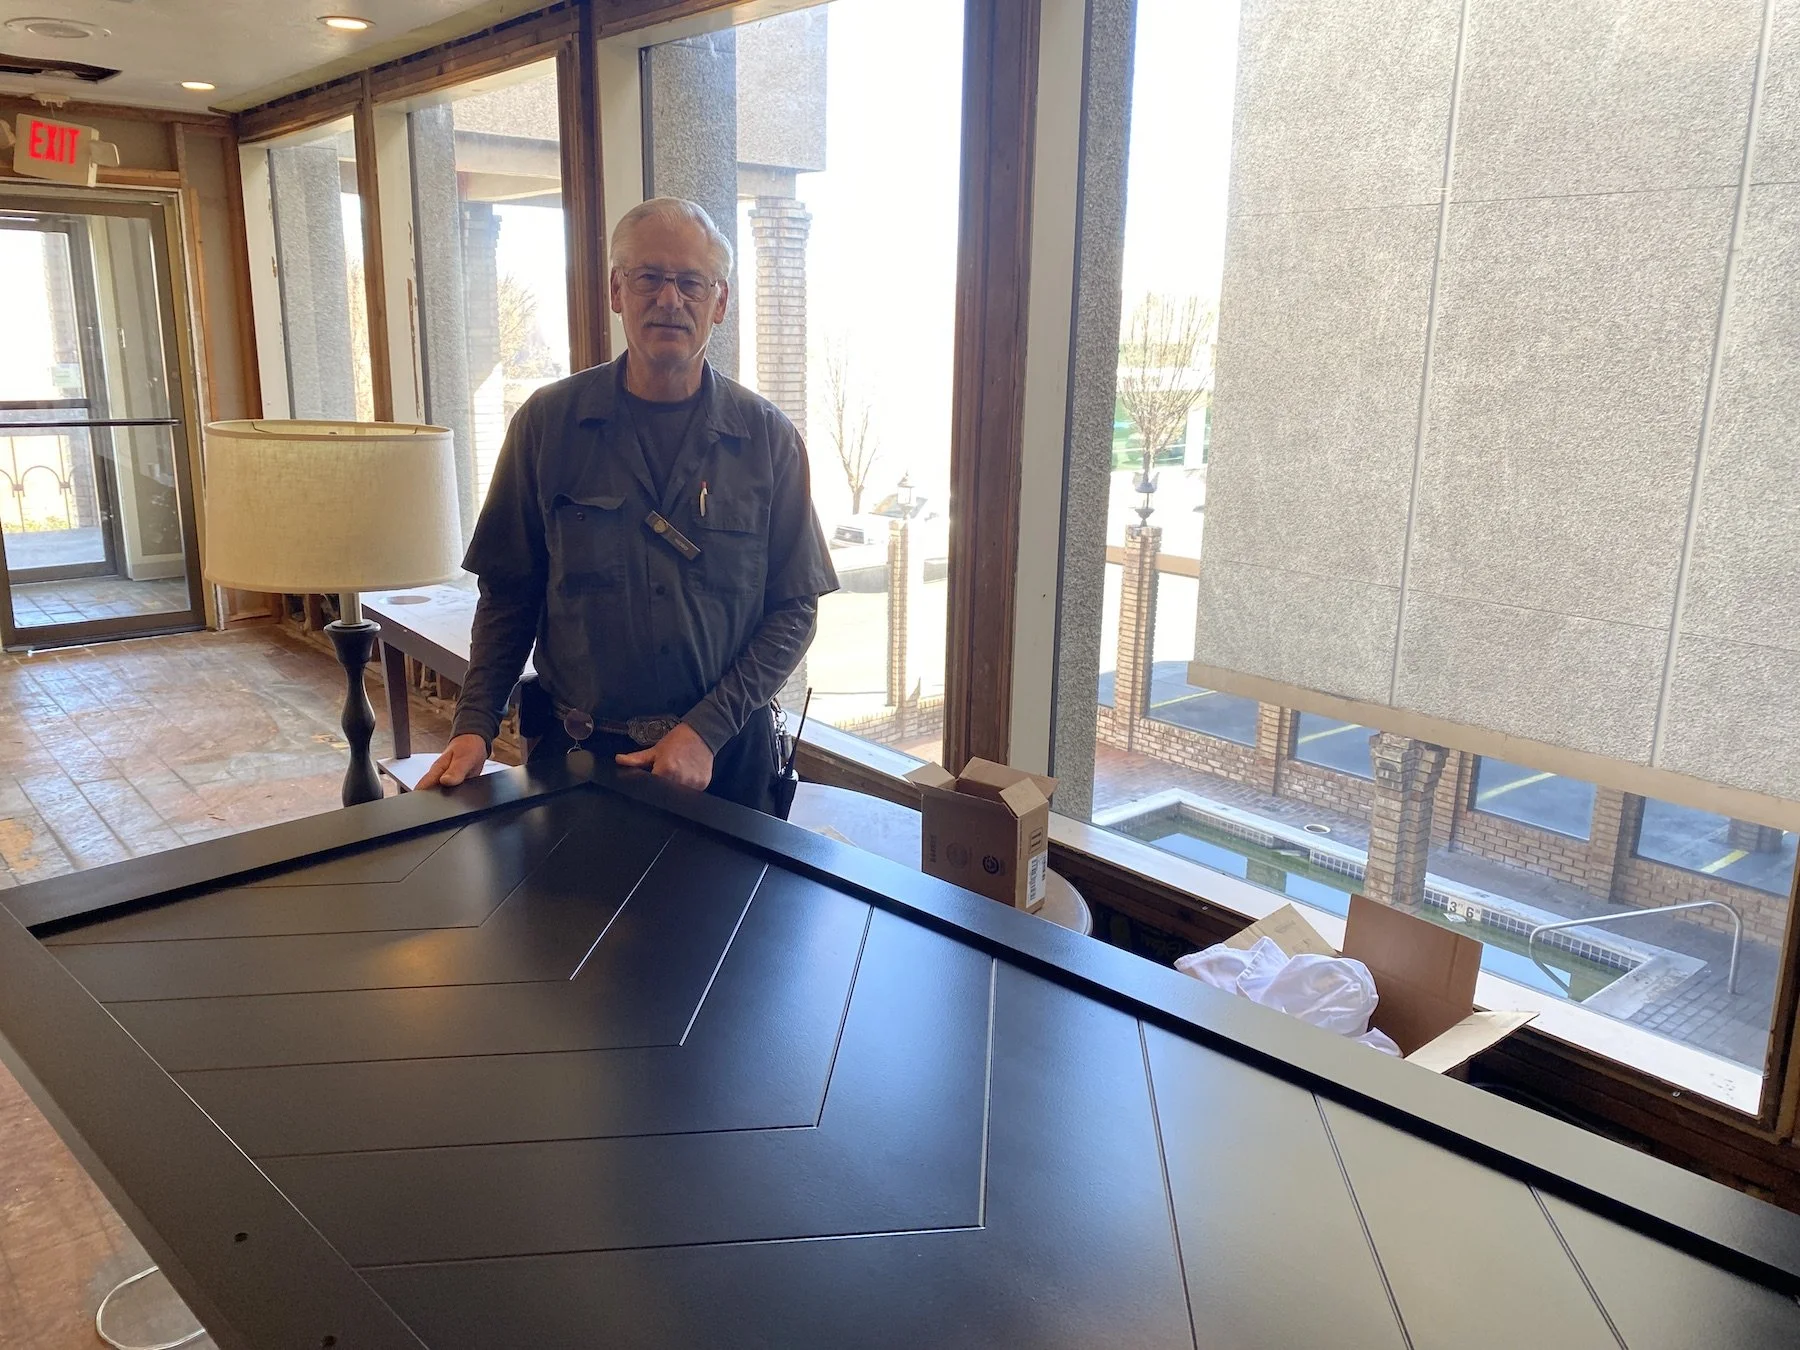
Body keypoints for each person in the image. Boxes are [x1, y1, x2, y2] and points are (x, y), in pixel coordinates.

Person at [418, 197, 837, 813]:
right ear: (617, 290)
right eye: (649, 278)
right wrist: (475, 724)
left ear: (719, 302)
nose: (670, 299)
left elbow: (795, 608)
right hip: (578, 762)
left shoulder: (768, 440)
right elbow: (509, 594)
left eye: (691, 282)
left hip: (725, 764)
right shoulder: (546, 426)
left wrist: (705, 730)